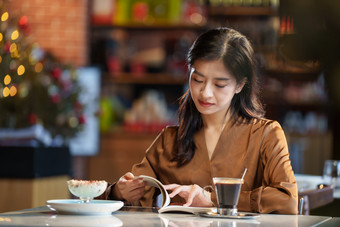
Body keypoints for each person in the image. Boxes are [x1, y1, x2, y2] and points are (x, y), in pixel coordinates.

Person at [100, 27, 298, 214]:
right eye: (198, 80)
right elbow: (137, 197)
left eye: (219, 84)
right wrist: (119, 191)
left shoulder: (266, 135)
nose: (205, 93)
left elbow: (287, 201)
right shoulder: (168, 140)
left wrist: (212, 198)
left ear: (240, 85)